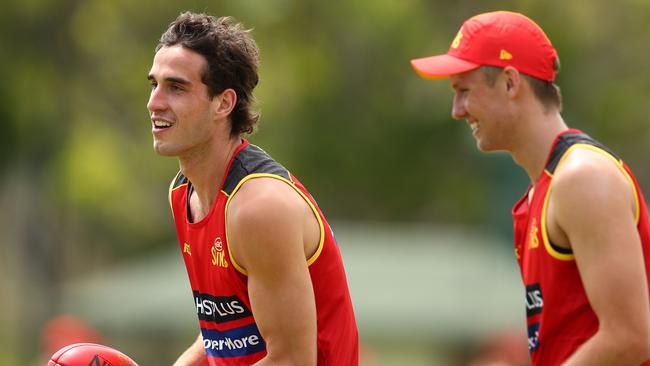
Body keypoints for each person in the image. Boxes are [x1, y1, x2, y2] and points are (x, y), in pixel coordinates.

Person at [410, 10, 650, 365]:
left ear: (509, 83)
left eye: (463, 91)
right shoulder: (545, 189)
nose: (457, 110)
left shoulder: (581, 178)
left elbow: (630, 338)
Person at [146, 12, 358, 365]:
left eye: (176, 87)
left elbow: (292, 360)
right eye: (154, 84)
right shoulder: (183, 192)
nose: (154, 102)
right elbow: (223, 331)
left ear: (224, 103)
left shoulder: (258, 209)